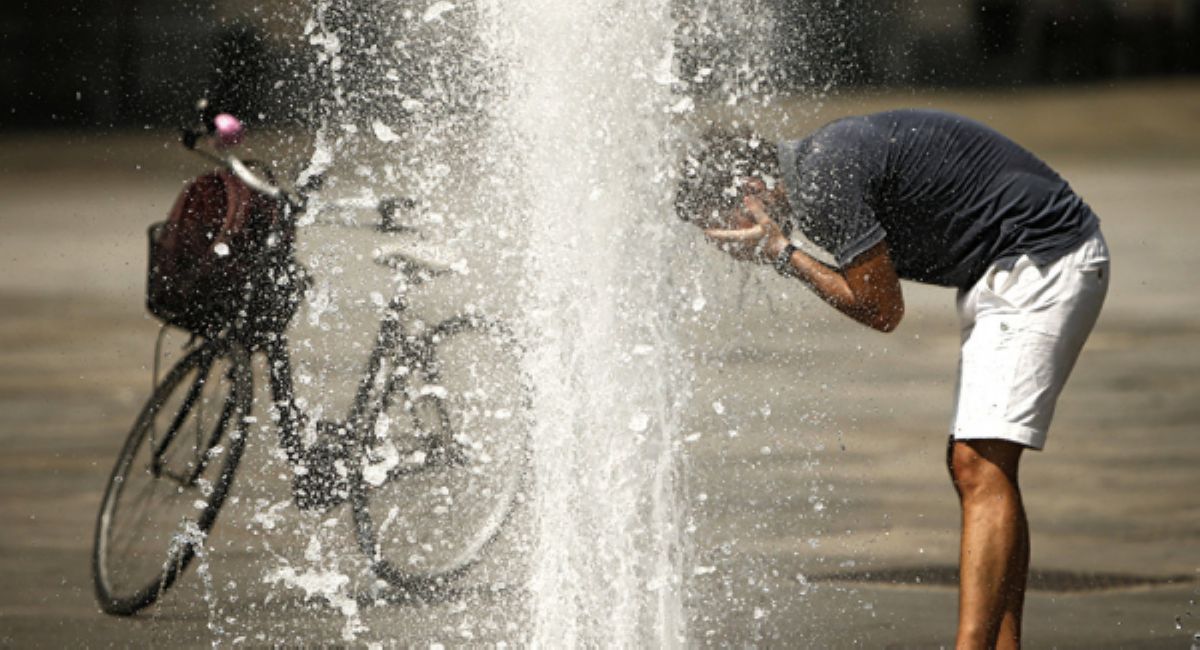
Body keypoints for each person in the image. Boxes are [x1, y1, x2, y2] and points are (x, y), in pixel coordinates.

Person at [678, 109, 1109, 649]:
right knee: (979, 467)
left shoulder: (823, 179)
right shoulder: (819, 165)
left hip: (1044, 258)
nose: (727, 245)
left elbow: (882, 310)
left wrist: (780, 253)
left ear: (749, 191)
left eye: (723, 225)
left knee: (978, 465)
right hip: (1011, 268)